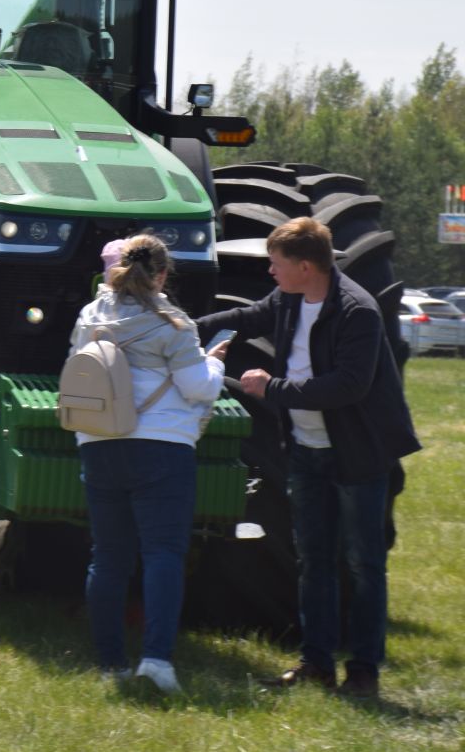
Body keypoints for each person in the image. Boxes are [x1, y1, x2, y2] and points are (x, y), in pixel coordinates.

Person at [195, 217, 420, 700]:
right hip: (306, 454)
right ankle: (316, 663)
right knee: (313, 561)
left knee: (362, 565)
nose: (271, 272)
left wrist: (271, 388)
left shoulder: (357, 311)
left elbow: (348, 385)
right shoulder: (291, 298)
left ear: (304, 265)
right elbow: (247, 318)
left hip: (356, 458)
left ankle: (363, 671)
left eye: (276, 264)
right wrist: (180, 329)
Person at [70, 234, 224, 693]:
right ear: (162, 275)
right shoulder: (173, 323)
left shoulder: (90, 316)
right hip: (162, 446)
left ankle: (110, 663)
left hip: (98, 442)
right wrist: (213, 364)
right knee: (162, 555)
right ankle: (156, 662)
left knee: (108, 557)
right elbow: (198, 388)